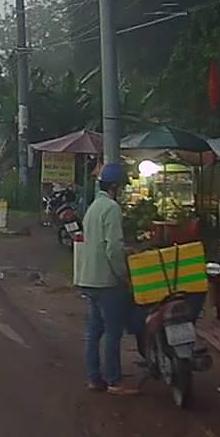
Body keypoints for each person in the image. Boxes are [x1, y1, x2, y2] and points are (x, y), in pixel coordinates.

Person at [74, 162, 138, 395]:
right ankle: (114, 381)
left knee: (94, 332)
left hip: (89, 278)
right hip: (106, 281)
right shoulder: (111, 208)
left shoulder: (94, 207)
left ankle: (94, 378)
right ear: (114, 187)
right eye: (121, 187)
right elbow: (113, 248)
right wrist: (123, 275)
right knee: (113, 332)